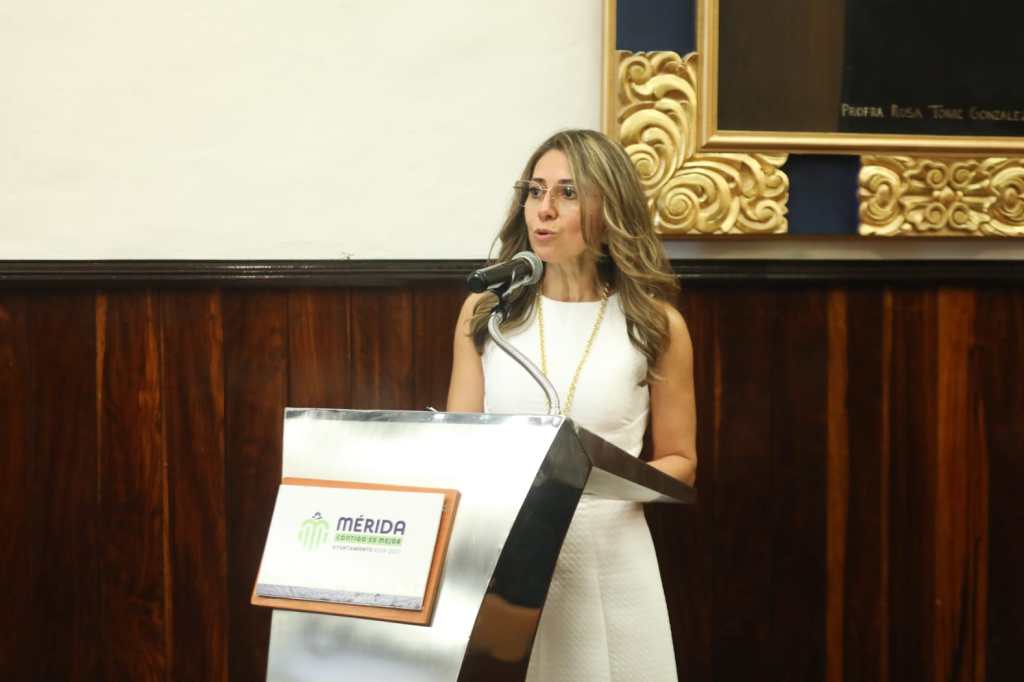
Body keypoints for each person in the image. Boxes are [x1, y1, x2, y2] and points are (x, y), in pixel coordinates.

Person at [447, 129, 697, 682]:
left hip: (610, 551)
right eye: (535, 191)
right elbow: (458, 445)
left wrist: (594, 481)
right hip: (507, 556)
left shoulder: (656, 325)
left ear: (610, 209)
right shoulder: (486, 313)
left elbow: (681, 461)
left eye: (567, 193)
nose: (545, 209)